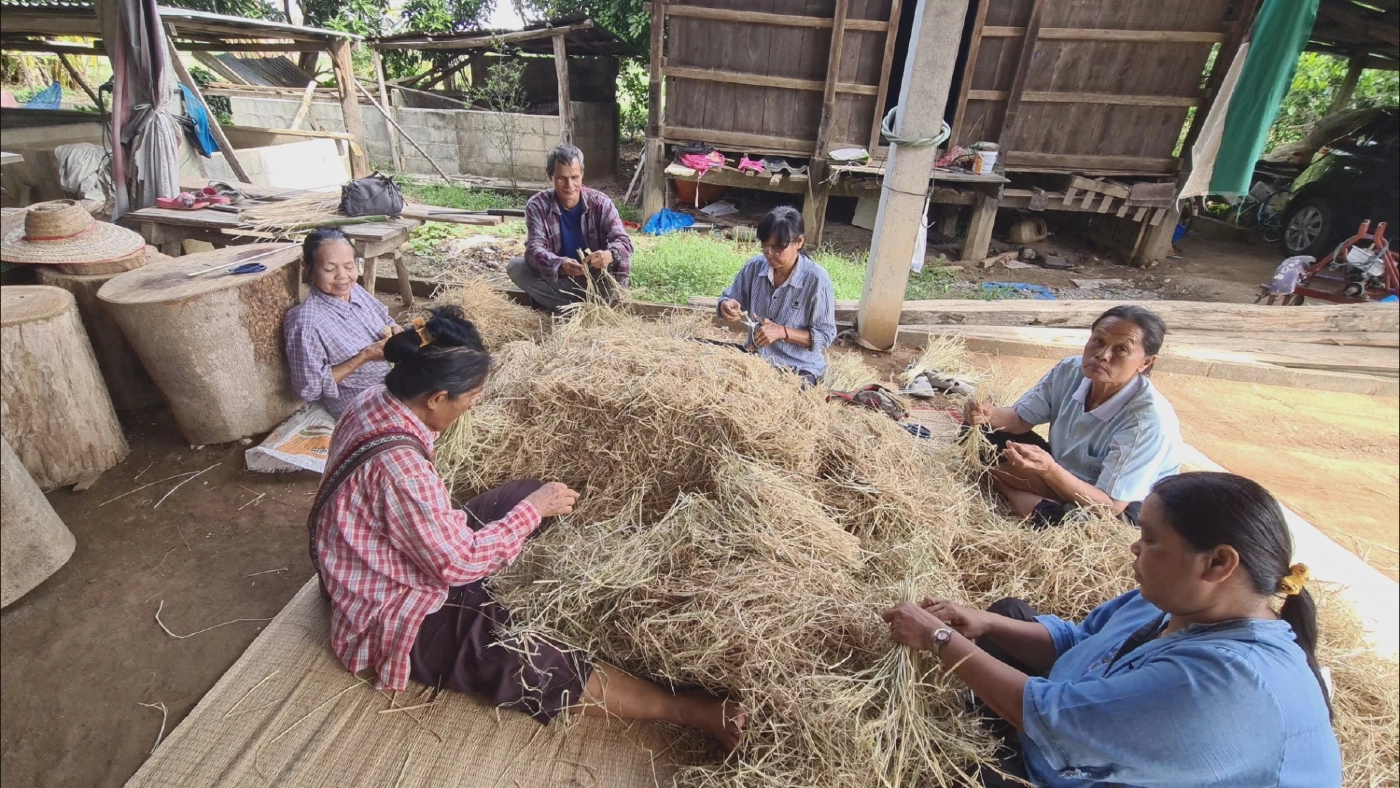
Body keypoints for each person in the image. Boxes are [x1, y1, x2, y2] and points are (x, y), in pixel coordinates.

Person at [309, 305, 744, 747]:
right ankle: (688, 709)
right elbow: (457, 565)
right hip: (391, 602)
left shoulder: (376, 400)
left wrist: (530, 506)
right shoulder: (401, 470)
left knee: (524, 494)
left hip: (397, 552)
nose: (476, 403)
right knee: (525, 656)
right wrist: (532, 512)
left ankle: (511, 570)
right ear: (436, 398)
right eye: (471, 396)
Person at [881, 471, 1342, 788]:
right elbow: (1081, 645)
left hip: (1077, 750)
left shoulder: (1227, 683)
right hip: (1085, 722)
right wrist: (983, 623)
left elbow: (1049, 718)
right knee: (1007, 617)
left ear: (1218, 562)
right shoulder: (1176, 603)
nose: (1134, 548)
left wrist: (940, 640)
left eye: (1152, 540)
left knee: (950, 767)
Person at [963, 305, 1181, 527]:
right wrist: (989, 415)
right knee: (981, 432)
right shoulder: (1070, 370)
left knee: (1080, 526)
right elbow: (1019, 420)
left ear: (1145, 363)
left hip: (1119, 504)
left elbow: (1108, 506)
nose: (1103, 355)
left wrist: (1048, 469)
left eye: (1121, 350)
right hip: (1062, 471)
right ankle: (1034, 498)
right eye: (1099, 341)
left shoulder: (1148, 422)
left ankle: (1010, 488)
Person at [283, 227, 399, 418]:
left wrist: (395, 330)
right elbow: (310, 390)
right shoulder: (306, 321)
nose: (342, 276)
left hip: (395, 382)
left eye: (349, 266)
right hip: (363, 404)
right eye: (329, 269)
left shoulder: (354, 291)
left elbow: (386, 318)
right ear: (307, 268)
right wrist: (364, 356)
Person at [715, 206, 837, 385]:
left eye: (778, 248)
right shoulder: (755, 267)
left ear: (799, 242)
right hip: (756, 359)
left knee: (785, 403)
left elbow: (825, 335)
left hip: (799, 367)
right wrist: (726, 305)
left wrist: (782, 332)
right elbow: (728, 298)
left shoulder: (817, 279)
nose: (769, 254)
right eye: (765, 246)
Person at [507, 144, 633, 312]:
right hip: (559, 278)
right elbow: (533, 249)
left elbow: (624, 242)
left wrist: (609, 254)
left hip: (595, 279)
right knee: (516, 267)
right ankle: (579, 311)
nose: (569, 185)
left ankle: (573, 307)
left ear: (582, 174)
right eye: (561, 178)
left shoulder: (601, 203)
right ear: (549, 175)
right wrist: (560, 265)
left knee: (617, 260)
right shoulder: (537, 205)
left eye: (574, 177)